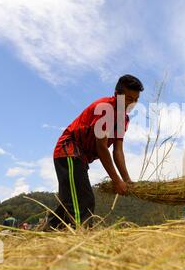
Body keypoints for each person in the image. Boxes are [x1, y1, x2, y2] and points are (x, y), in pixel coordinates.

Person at [46, 75, 144, 230]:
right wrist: (116, 180)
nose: (132, 103)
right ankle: (80, 236)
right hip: (69, 151)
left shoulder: (123, 119)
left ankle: (47, 231)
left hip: (82, 158)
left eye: (136, 100)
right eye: (128, 98)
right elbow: (102, 147)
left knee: (70, 201)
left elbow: (117, 150)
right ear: (117, 94)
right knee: (83, 199)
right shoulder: (106, 108)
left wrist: (127, 180)